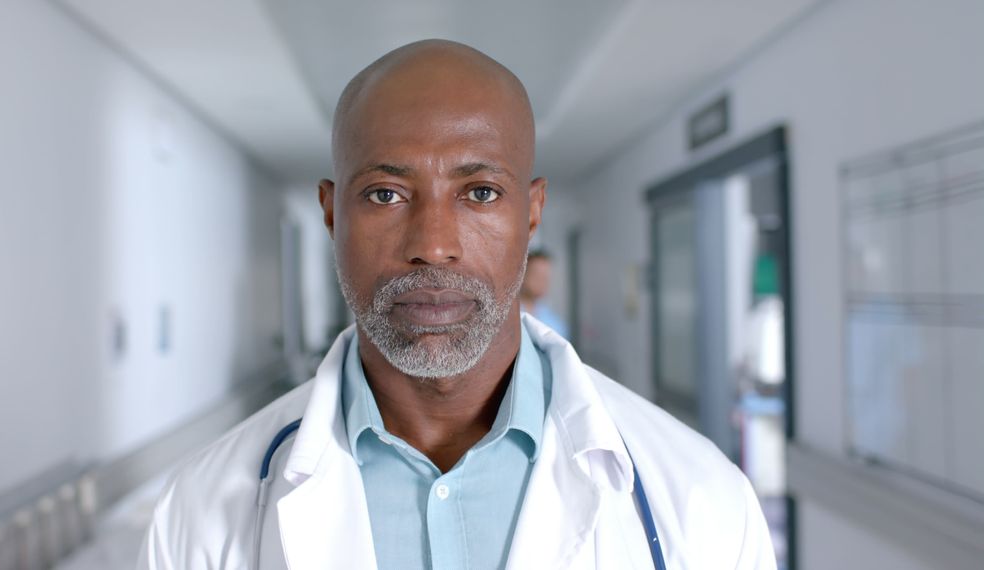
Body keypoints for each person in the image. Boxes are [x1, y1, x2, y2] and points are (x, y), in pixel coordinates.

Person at [138, 39, 775, 569]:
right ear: (332, 214)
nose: (433, 246)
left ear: (533, 213)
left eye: (479, 193)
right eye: (386, 194)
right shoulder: (201, 512)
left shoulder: (701, 503)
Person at [519, 249, 569, 339]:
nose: (543, 282)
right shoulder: (507, 317)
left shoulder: (555, 323)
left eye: (546, 276)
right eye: (537, 275)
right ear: (522, 275)